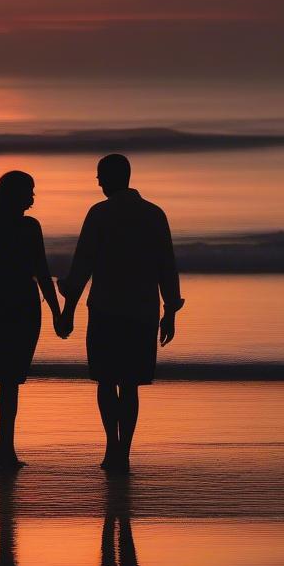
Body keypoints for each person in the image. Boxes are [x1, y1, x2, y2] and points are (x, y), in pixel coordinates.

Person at [56, 154, 184, 474]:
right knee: (130, 384)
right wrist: (170, 310)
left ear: (113, 177)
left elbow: (83, 264)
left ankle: (111, 448)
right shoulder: (154, 214)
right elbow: (166, 265)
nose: (98, 182)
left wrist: (67, 308)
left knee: (105, 380)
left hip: (106, 309)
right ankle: (123, 451)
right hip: (142, 311)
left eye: (100, 176)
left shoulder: (100, 213)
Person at [0, 170, 63, 470]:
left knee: (8, 379)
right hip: (21, 301)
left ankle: (4, 446)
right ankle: (4, 448)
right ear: (16, 194)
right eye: (29, 191)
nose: (33, 197)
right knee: (12, 379)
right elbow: (41, 271)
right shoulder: (30, 227)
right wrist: (57, 312)